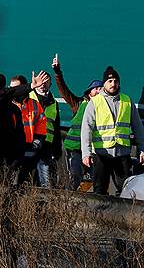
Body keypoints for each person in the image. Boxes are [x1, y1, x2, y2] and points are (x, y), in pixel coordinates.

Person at [80, 66, 144, 196]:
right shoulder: (95, 102)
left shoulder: (127, 101)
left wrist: (142, 149)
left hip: (122, 154)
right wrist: (86, 153)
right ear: (104, 83)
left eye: (115, 81)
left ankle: (124, 216)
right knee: (100, 189)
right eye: (109, 81)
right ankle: (98, 215)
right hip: (101, 154)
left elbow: (138, 127)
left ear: (119, 82)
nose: (113, 84)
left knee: (126, 189)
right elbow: (86, 128)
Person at [52, 54, 102, 190]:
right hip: (75, 149)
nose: (99, 91)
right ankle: (67, 202)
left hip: (93, 150)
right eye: (96, 88)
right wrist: (57, 73)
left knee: (96, 179)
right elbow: (64, 91)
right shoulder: (79, 104)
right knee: (74, 175)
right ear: (89, 92)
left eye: (101, 89)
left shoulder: (104, 108)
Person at [10, 75, 48, 185]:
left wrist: (36, 144)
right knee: (7, 181)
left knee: (24, 183)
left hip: (28, 149)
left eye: (16, 88)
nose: (13, 91)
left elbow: (41, 126)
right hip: (10, 149)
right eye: (11, 88)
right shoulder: (6, 103)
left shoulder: (35, 105)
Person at [28, 69, 61, 188]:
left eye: (46, 82)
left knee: (45, 178)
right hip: (30, 141)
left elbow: (56, 126)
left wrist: (57, 148)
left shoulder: (54, 102)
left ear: (50, 84)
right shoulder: (28, 97)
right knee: (26, 174)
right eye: (41, 81)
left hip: (47, 144)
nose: (43, 84)